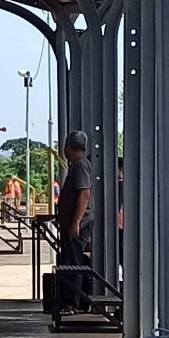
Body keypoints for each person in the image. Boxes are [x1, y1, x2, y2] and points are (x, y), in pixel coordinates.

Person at [58, 131, 96, 305]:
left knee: (73, 263)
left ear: (68, 146)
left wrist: (75, 222)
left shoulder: (80, 166)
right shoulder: (78, 165)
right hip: (74, 223)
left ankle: (72, 302)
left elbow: (84, 194)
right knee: (69, 262)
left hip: (78, 225)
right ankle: (70, 300)